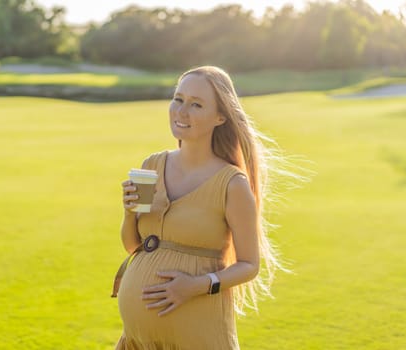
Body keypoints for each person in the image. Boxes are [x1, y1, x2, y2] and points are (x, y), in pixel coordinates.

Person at [113, 66, 283, 349]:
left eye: (196, 104)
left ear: (220, 117)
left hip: (200, 336)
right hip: (138, 341)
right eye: (178, 99)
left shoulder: (231, 184)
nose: (181, 111)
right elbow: (134, 246)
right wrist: (129, 212)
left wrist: (195, 286)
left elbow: (249, 265)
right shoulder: (151, 166)